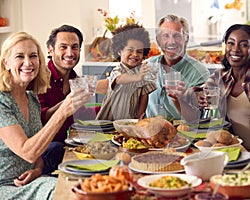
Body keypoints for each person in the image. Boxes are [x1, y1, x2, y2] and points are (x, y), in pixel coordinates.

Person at [0, 32, 91, 199]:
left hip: (33, 179)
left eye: (33, 56)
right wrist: (63, 110)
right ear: (6, 62)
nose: (28, 63)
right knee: (71, 191)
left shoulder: (31, 98)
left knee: (84, 183)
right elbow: (28, 152)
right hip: (5, 185)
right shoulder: (2, 101)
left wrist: (38, 169)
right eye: (20, 56)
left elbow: (38, 153)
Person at [195, 24, 250, 151]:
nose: (235, 49)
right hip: (234, 151)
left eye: (244, 44)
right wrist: (197, 95)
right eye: (231, 43)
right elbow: (200, 91)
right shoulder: (220, 77)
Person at [38, 24, 100, 175]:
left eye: (75, 47)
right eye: (63, 47)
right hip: (43, 150)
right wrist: (67, 103)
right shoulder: (39, 78)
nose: (70, 53)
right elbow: (40, 119)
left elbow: (78, 115)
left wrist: (112, 109)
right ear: (50, 49)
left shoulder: (74, 78)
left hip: (64, 144)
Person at [145, 14, 210, 120]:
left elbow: (197, 120)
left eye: (177, 36)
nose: (171, 41)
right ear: (158, 40)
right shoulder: (148, 66)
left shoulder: (199, 73)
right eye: (166, 36)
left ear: (186, 39)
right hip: (149, 133)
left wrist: (181, 100)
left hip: (184, 133)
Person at [96, 23, 156, 120]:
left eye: (139, 51)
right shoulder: (118, 69)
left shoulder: (142, 71)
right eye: (130, 50)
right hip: (109, 119)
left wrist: (140, 115)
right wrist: (138, 77)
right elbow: (119, 79)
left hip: (130, 119)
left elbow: (144, 95)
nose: (135, 54)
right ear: (119, 51)